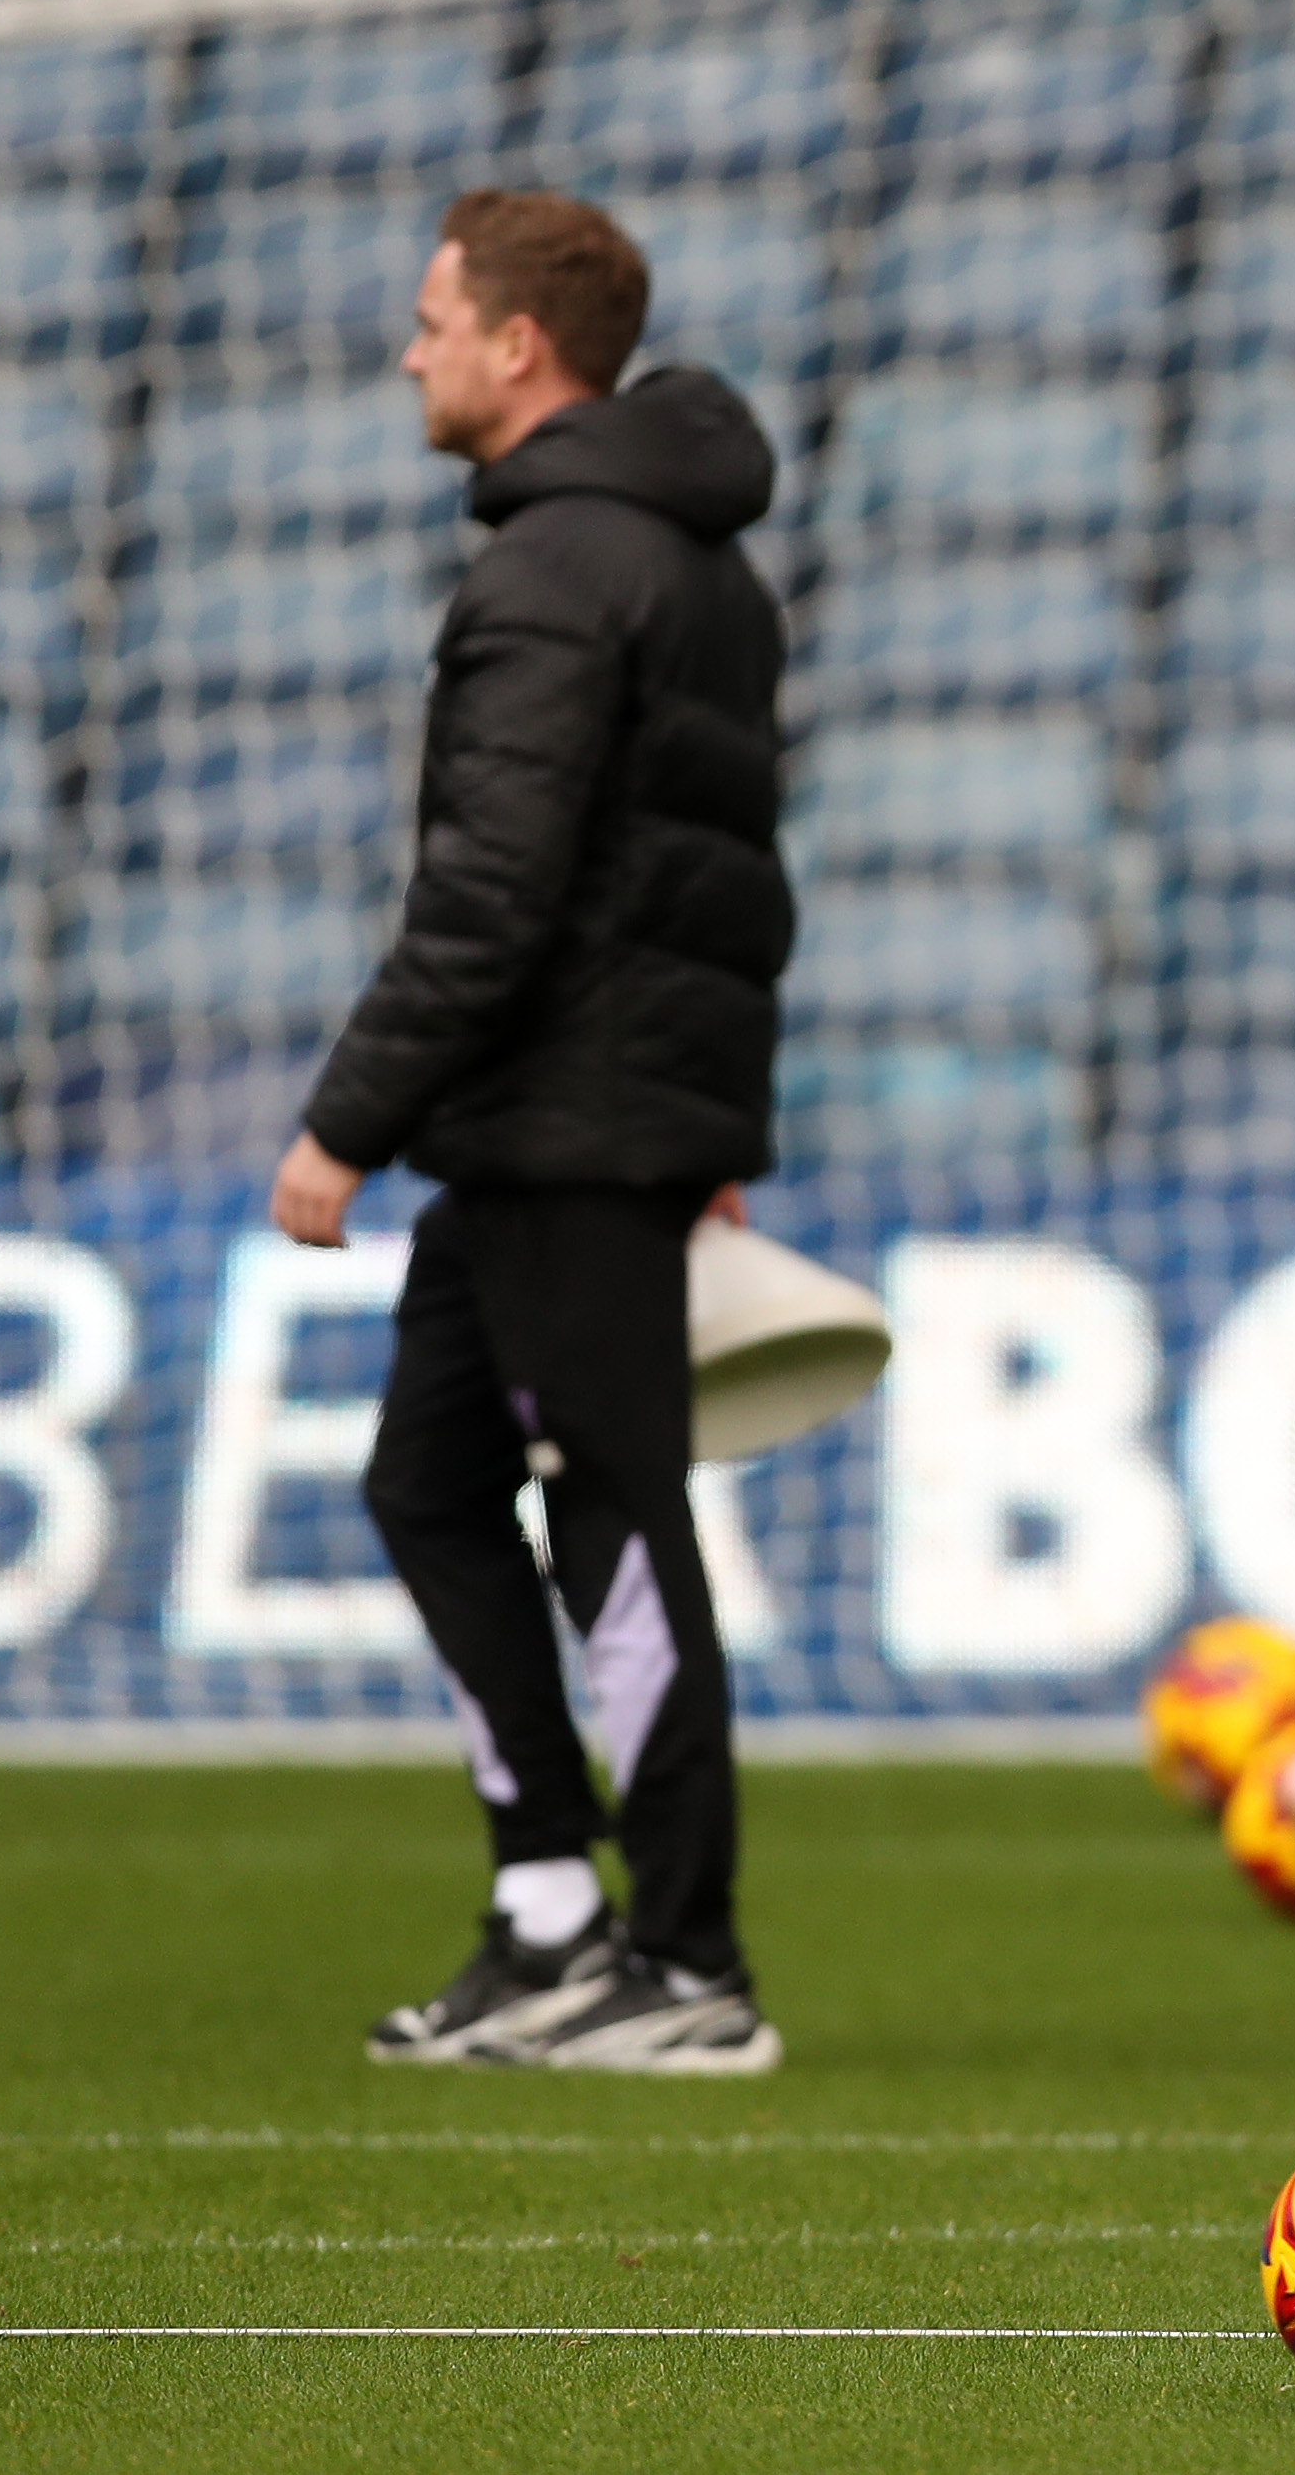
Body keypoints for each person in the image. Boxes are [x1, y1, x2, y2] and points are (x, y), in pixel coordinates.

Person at [269, 189, 798, 2074]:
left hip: (568, 1123)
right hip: (577, 1121)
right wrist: (706, 1118)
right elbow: (719, 875)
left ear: (520, 344)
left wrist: (347, 1120)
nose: (409, 350)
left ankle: (692, 1966)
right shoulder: (691, 563)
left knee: (618, 1526)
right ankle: (556, 1914)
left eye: (433, 317)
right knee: (428, 1485)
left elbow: (496, 889)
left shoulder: (560, 567)